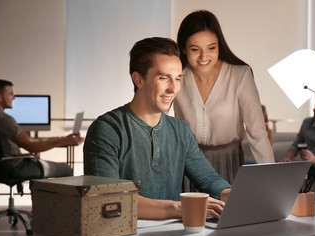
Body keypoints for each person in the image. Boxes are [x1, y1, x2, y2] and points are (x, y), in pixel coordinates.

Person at [83, 37, 231, 220]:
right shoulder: (107, 129)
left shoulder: (180, 130)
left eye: (178, 79)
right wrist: (183, 208)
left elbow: (209, 180)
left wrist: (234, 196)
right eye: (163, 78)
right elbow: (108, 198)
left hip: (173, 233)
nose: (173, 88)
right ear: (138, 79)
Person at [173, 10, 274, 188]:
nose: (204, 57)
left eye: (211, 48)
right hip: (188, 165)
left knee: (229, 214)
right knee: (189, 216)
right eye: (195, 49)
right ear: (183, 48)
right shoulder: (177, 77)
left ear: (219, 45)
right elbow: (157, 119)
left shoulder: (239, 75)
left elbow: (257, 134)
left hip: (229, 163)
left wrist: (273, 183)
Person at [0, 79, 81, 180]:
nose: (14, 98)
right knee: (67, 169)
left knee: (37, 162)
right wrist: (64, 141)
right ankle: (42, 195)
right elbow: (32, 147)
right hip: (15, 167)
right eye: (11, 94)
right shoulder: (4, 120)